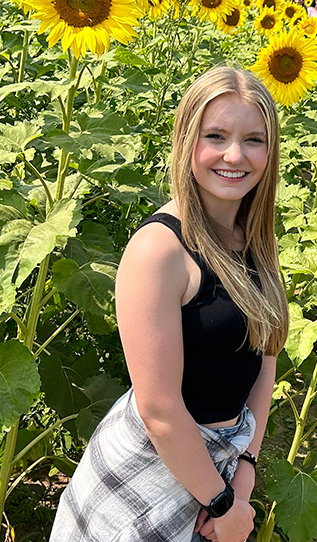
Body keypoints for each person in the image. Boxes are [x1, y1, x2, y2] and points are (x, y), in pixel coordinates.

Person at [49, 66, 290, 542]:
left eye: (254, 140)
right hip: (151, 471)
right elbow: (159, 409)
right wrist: (222, 504)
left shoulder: (256, 239)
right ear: (186, 141)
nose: (235, 155)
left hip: (218, 469)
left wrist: (245, 471)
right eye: (215, 135)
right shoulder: (159, 248)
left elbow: (265, 362)